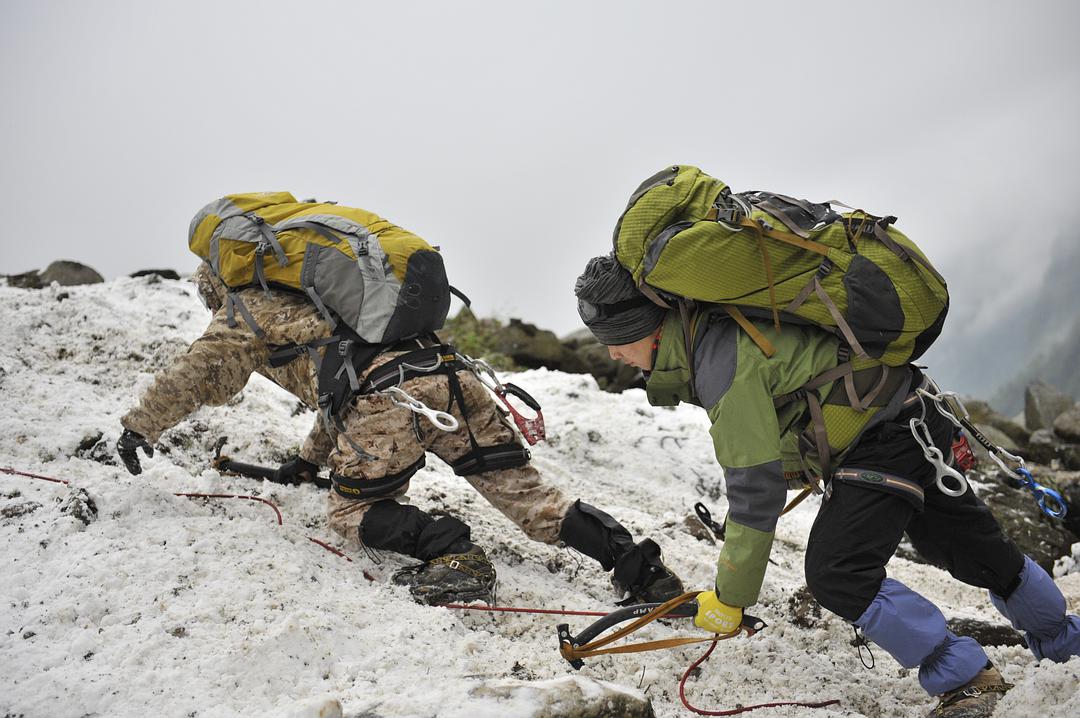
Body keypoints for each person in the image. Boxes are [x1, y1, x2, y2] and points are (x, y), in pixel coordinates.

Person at [574, 253, 1079, 718]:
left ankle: (966, 678)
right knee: (967, 546)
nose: (614, 354)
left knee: (838, 572)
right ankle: (1066, 641)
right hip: (913, 411)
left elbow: (755, 490)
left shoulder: (718, 361)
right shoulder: (715, 331)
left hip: (883, 438)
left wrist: (730, 599)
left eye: (616, 339)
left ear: (650, 327)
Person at [117, 261, 684, 606]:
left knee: (349, 514)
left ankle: (454, 555)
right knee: (533, 501)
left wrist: (140, 426)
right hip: (452, 377)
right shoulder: (332, 299)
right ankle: (643, 572)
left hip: (390, 400)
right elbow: (336, 397)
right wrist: (309, 460)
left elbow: (192, 375)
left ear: (216, 285)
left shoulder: (244, 308)